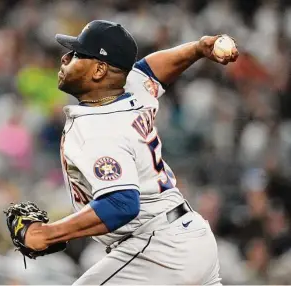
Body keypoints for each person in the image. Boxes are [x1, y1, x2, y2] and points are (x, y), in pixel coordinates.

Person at [12, 20, 238, 284]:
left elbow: (122, 204)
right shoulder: (130, 90)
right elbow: (152, 71)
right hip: (191, 237)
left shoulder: (97, 128)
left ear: (98, 70)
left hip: (159, 250)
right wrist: (198, 48)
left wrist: (48, 234)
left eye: (76, 54)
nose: (65, 58)